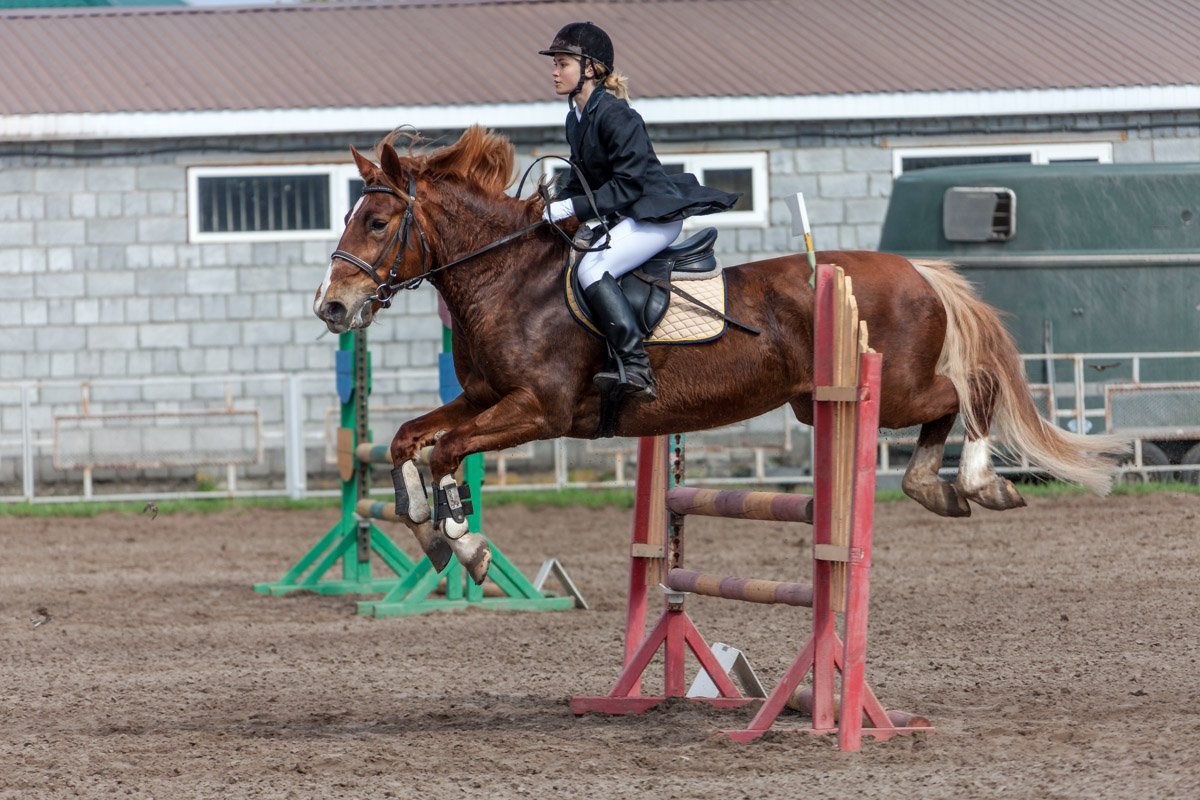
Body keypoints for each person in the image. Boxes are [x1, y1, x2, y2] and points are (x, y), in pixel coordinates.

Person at [539, 22, 739, 402]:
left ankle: (636, 366)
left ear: (590, 69)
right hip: (625, 215)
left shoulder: (617, 116)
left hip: (653, 216)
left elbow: (628, 185)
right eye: (556, 64)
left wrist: (573, 206)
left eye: (563, 63)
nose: (554, 71)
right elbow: (581, 177)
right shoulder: (576, 117)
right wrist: (546, 206)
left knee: (592, 268)